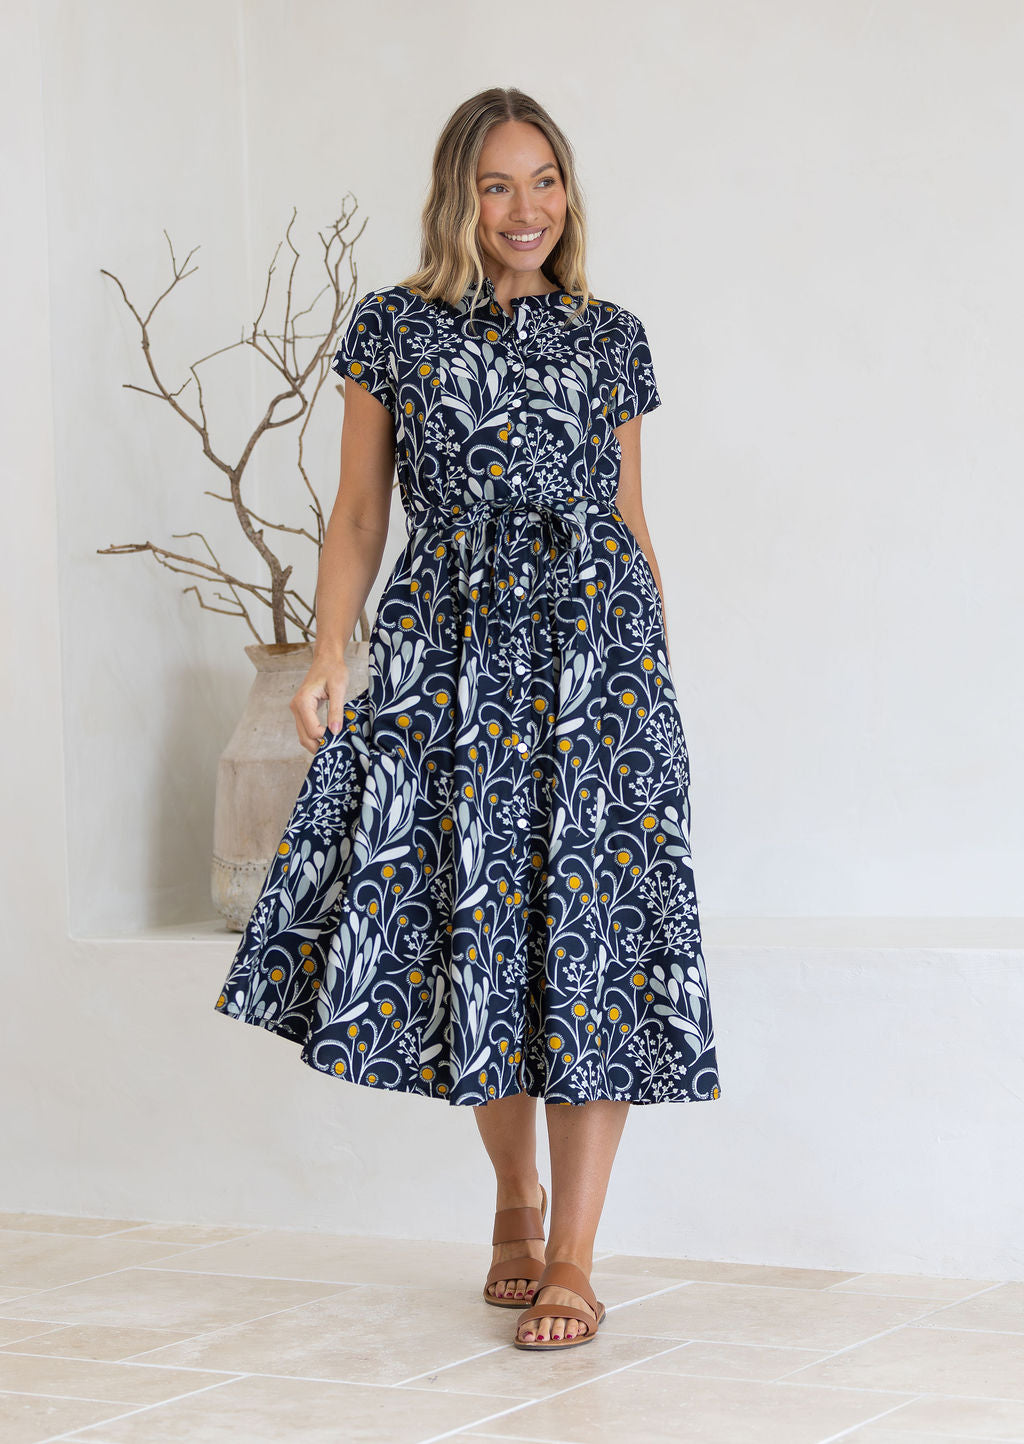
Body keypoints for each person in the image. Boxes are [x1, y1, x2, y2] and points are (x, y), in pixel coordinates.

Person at [213, 86, 722, 1352]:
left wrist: (652, 684)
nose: (526, 208)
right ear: (458, 195)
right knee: (480, 929)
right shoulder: (394, 329)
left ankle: (574, 1259)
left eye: (543, 179)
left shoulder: (613, 336)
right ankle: (514, 1198)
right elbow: (356, 517)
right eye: (498, 184)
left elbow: (631, 520)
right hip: (453, 658)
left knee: (594, 943)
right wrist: (331, 654)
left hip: (599, 663)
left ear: (568, 192)